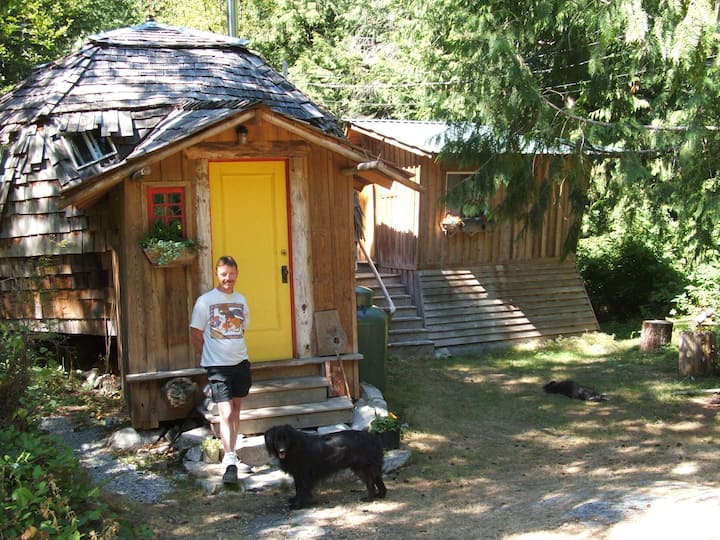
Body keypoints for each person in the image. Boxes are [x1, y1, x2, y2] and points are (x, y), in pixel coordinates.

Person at [190, 255, 252, 484]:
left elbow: (242, 329)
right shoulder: (205, 301)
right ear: (217, 274)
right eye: (224, 274)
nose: (228, 278)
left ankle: (232, 450)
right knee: (224, 412)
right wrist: (206, 355)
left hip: (240, 362)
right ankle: (229, 459)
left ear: (237, 274)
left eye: (231, 274)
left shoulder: (241, 300)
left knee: (236, 410)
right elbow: (196, 332)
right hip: (217, 366)